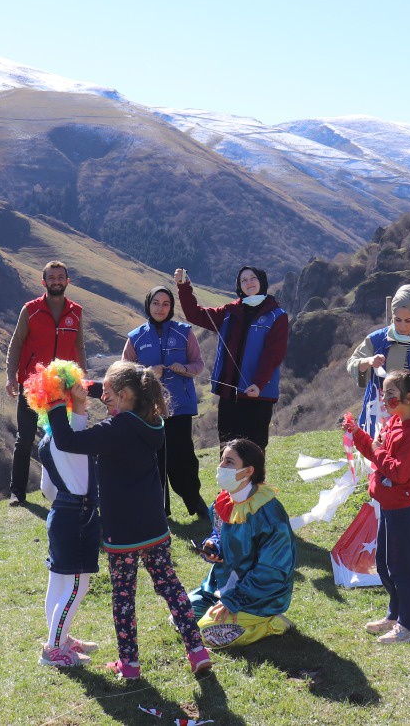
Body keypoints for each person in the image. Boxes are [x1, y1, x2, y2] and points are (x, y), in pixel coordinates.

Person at [46, 362, 212, 679]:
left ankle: (130, 665)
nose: (102, 397)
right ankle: (197, 650)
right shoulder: (153, 422)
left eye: (107, 394)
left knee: (124, 597)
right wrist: (83, 385)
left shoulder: (115, 431)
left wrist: (56, 401)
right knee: (172, 589)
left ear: (123, 396)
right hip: (154, 527)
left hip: (122, 533)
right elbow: (115, 392)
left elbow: (67, 440)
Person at [342, 369, 410, 645]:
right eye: (384, 393)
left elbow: (399, 472)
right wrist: (357, 434)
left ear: (409, 398)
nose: (384, 399)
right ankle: (396, 615)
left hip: (403, 510)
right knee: (386, 564)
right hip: (388, 506)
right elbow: (377, 452)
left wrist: (378, 448)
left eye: (390, 394)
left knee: (404, 567)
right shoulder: (394, 423)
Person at [189, 438, 296, 650]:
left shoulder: (268, 514)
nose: (221, 467)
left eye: (229, 462)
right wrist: (214, 546)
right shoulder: (224, 501)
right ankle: (220, 612)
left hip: (258, 596)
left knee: (207, 634)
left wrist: (235, 600)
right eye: (222, 460)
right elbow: (220, 533)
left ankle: (271, 623)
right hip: (222, 585)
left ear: (248, 472)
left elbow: (271, 571)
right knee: (181, 616)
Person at [32, 364, 103, 669]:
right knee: (77, 586)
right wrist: (82, 405)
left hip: (59, 512)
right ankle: (54, 648)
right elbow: (76, 426)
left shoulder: (45, 442)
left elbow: (46, 489)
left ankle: (59, 638)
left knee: (58, 583)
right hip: (78, 515)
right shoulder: (70, 432)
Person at [175, 265, 289, 449]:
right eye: (243, 280)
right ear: (239, 286)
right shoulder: (229, 312)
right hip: (229, 396)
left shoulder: (277, 316)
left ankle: (254, 479)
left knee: (254, 451)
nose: (249, 282)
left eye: (253, 278)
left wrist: (258, 384)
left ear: (262, 281)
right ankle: (229, 479)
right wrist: (184, 286)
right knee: (228, 450)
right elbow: (194, 314)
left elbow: (273, 355)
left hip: (258, 395)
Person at [122, 285, 209, 522]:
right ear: (148, 305)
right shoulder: (136, 337)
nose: (160, 308)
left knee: (183, 457)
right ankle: (160, 510)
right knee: (154, 459)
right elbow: (123, 373)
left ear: (171, 307)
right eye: (156, 303)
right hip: (147, 409)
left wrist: (187, 369)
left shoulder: (184, 332)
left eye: (166, 304)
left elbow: (198, 364)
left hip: (180, 407)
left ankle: (195, 501)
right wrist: (147, 373)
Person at [4, 261, 88, 505]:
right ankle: (16, 492)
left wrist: (82, 380)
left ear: (67, 281)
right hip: (33, 387)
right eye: (51, 277)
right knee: (26, 438)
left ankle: (58, 487)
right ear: (44, 282)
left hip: (63, 387)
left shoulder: (76, 311)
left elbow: (79, 347)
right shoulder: (30, 310)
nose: (56, 281)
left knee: (63, 438)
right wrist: (11, 376)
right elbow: (16, 344)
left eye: (60, 277)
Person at [345, 283, 410, 437]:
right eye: (397, 319)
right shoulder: (376, 340)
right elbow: (352, 363)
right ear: (392, 316)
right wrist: (367, 362)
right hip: (380, 413)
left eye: (408, 321)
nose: (402, 326)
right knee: (379, 453)